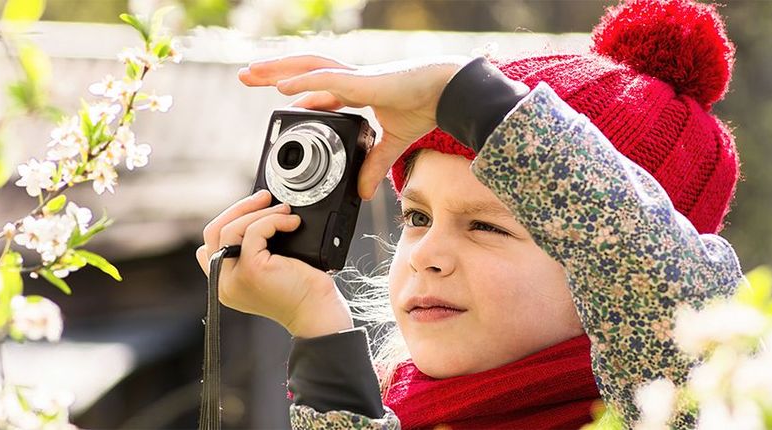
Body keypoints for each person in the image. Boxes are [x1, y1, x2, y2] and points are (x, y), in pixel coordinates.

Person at [194, 0, 744, 427]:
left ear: (604, 258)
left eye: (486, 225)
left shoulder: (684, 407)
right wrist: (317, 327)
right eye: (417, 218)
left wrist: (456, 93)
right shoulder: (401, 409)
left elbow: (669, 286)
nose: (427, 255)